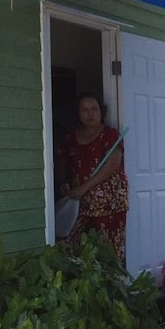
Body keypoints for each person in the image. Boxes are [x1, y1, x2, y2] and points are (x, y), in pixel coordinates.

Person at [56, 92, 129, 261]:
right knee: (67, 242)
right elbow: (61, 162)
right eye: (85, 110)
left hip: (109, 201)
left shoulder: (110, 134)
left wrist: (84, 188)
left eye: (95, 109)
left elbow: (112, 165)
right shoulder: (70, 138)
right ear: (78, 113)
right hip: (78, 201)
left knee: (108, 248)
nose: (91, 114)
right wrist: (63, 183)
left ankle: (112, 278)